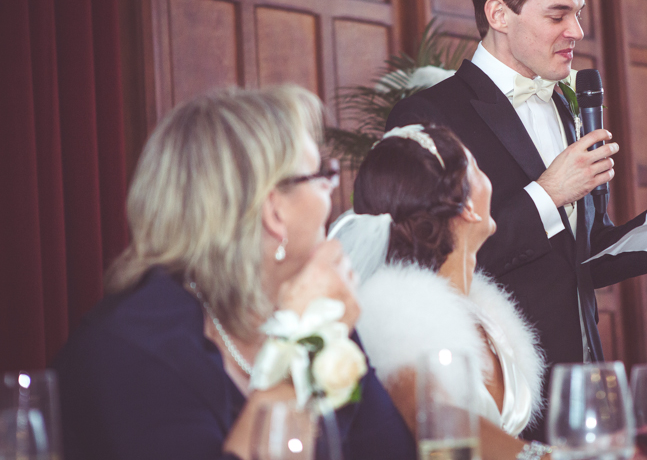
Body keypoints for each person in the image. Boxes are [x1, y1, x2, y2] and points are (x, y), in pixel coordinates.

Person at [385, 0, 647, 439]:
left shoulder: (566, 106)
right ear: (499, 14)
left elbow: (578, 255)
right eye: (558, 15)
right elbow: (431, 265)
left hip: (583, 381)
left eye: (578, 14)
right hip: (498, 389)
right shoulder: (427, 115)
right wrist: (548, 194)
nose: (577, 31)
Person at [53, 85, 415, 460]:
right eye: (322, 175)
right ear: (275, 211)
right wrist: (303, 343)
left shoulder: (316, 310)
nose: (332, 193)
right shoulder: (130, 352)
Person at [330, 123, 550, 460]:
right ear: (467, 208)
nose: (486, 175)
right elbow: (434, 419)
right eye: (475, 166)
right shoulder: (397, 320)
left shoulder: (481, 312)